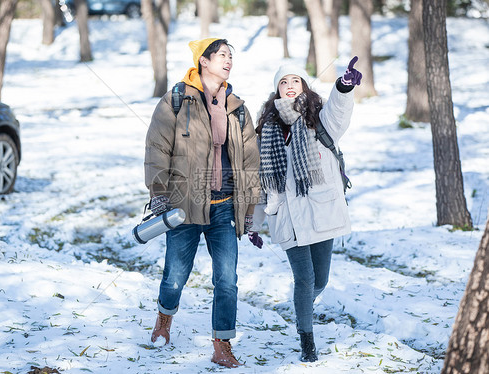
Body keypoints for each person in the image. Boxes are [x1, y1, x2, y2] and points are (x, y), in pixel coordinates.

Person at [143, 38, 261, 368]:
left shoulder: (237, 107)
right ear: (203, 62)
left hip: (224, 206)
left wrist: (249, 204)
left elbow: (250, 159)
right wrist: (159, 193)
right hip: (185, 205)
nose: (228, 61)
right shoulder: (176, 101)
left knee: (227, 279)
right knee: (175, 276)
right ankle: (164, 321)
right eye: (222, 55)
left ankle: (222, 343)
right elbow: (156, 149)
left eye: (231, 56)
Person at [252, 57, 362, 362]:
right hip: (286, 218)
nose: (289, 87)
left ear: (304, 86)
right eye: (283, 82)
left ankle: (303, 305)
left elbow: (339, 112)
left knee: (320, 281)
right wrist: (254, 224)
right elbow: (261, 182)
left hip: (321, 214)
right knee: (304, 279)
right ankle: (307, 339)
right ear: (276, 90)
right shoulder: (266, 129)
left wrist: (343, 86)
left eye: (294, 81)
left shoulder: (320, 120)